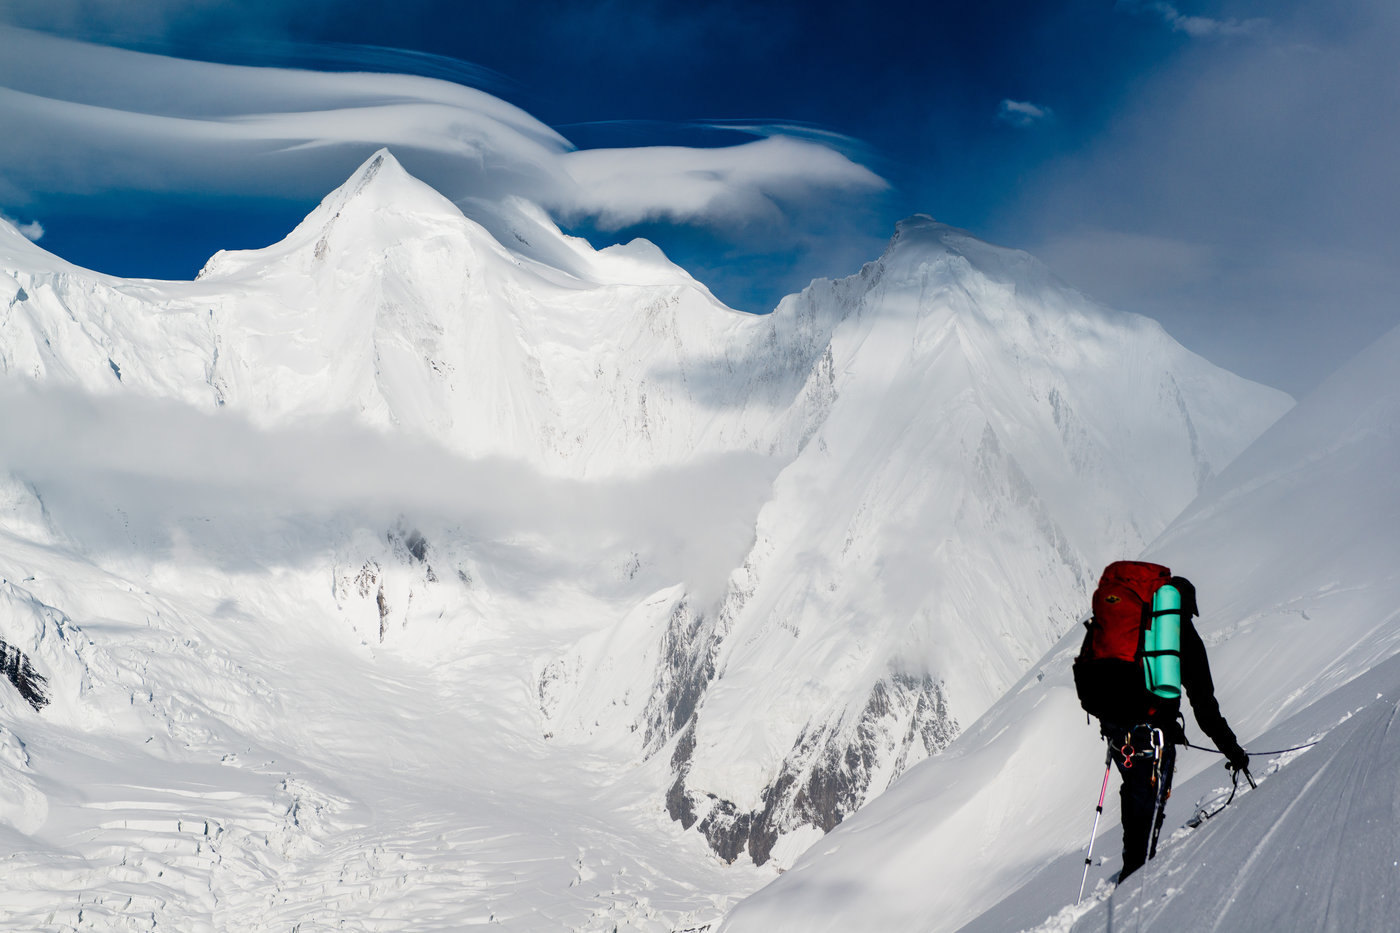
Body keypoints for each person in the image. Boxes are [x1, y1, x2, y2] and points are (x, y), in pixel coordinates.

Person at [1073, 562, 1249, 881]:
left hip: (1114, 726)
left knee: (1134, 788)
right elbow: (1204, 705)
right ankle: (1136, 873)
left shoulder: (1134, 622)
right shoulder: (1177, 629)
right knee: (1148, 798)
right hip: (1152, 732)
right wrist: (1234, 752)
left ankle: (1134, 862)